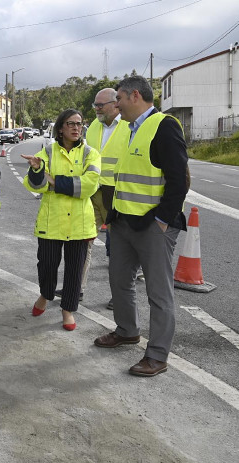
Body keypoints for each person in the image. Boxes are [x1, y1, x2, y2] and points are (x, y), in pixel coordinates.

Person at [94, 76, 188, 377]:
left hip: (152, 226)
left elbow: (180, 180)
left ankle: (157, 355)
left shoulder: (164, 126)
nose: (116, 105)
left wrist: (162, 221)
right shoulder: (130, 129)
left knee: (158, 293)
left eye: (119, 98)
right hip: (123, 222)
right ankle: (127, 330)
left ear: (135, 96)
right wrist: (112, 216)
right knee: (119, 281)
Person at [21, 109, 101, 331]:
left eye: (79, 123)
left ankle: (67, 310)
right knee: (46, 265)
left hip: (79, 222)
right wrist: (38, 170)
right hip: (51, 219)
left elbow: (90, 185)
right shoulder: (48, 151)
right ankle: (45, 296)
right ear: (61, 128)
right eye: (71, 123)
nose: (76, 128)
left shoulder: (90, 154)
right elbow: (36, 185)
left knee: (75, 270)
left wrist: (55, 182)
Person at [55, 88, 131, 305]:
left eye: (100, 105)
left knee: (119, 247)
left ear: (115, 104)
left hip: (116, 192)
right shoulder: (94, 126)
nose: (96, 109)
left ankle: (120, 296)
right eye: (95, 105)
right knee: (83, 240)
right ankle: (76, 289)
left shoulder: (129, 124)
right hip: (93, 190)